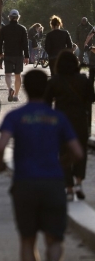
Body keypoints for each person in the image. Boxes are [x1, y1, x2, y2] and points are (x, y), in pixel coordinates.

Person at [0, 70, 82, 261]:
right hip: (53, 182)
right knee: (55, 237)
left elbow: (1, 145)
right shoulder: (57, 118)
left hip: (24, 183)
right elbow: (77, 152)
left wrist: (1, 165)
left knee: (27, 239)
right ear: (46, 89)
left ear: (25, 89)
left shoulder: (16, 116)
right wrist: (62, 163)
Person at [45, 50, 95, 200]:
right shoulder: (83, 80)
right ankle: (79, 182)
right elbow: (91, 98)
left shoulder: (55, 81)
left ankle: (69, 188)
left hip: (61, 121)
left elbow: (46, 102)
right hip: (80, 120)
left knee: (64, 152)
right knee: (81, 151)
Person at [0, 9, 29, 102]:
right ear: (18, 17)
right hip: (19, 55)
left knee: (8, 74)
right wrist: (26, 56)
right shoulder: (22, 29)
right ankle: (16, 95)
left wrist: (0, 52)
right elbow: (25, 44)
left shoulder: (4, 29)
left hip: (8, 54)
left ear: (9, 17)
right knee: (17, 75)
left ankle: (9, 89)